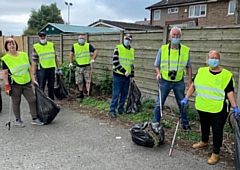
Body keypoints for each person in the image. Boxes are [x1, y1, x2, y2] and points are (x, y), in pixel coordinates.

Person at [181, 50, 239, 165]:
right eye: (211, 58)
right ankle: (204, 141)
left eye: (216, 58)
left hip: (219, 109)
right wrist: (186, 97)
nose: (214, 60)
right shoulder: (201, 71)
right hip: (202, 106)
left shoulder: (226, 75)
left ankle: (215, 153)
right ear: (207, 59)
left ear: (219, 60)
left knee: (217, 130)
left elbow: (230, 92)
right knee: (204, 125)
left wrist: (235, 107)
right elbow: (193, 86)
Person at [153, 26, 192, 131]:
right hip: (165, 80)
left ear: (181, 36)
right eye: (174, 35)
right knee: (159, 103)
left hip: (178, 80)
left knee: (182, 103)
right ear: (170, 36)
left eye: (178, 35)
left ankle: (185, 124)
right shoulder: (163, 49)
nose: (176, 37)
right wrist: (158, 73)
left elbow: (189, 66)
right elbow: (156, 65)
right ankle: (155, 123)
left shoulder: (185, 50)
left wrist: (189, 80)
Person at [2, 38, 44, 127]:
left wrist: (33, 80)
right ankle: (18, 119)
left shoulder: (24, 55)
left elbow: (30, 69)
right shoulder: (5, 59)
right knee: (16, 102)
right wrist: (6, 85)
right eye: (9, 44)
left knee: (32, 100)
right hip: (15, 84)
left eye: (13, 43)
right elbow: (5, 73)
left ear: (16, 45)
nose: (12, 45)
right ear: (6, 47)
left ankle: (34, 118)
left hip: (27, 82)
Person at [109, 34, 134, 118]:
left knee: (124, 94)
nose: (127, 40)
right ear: (123, 39)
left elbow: (131, 64)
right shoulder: (118, 48)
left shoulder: (132, 51)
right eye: (125, 39)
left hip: (127, 77)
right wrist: (124, 71)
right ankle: (112, 110)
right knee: (116, 94)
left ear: (131, 41)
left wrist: (132, 76)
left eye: (128, 39)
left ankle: (121, 109)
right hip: (118, 75)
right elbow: (115, 62)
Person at [32, 31, 62, 100]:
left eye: (44, 36)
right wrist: (33, 72)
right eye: (41, 36)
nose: (43, 37)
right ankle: (41, 101)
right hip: (42, 69)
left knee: (51, 86)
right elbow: (34, 61)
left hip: (51, 68)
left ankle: (51, 101)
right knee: (41, 86)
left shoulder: (51, 45)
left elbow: (55, 58)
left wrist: (59, 68)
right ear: (39, 37)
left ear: (46, 36)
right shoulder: (36, 47)